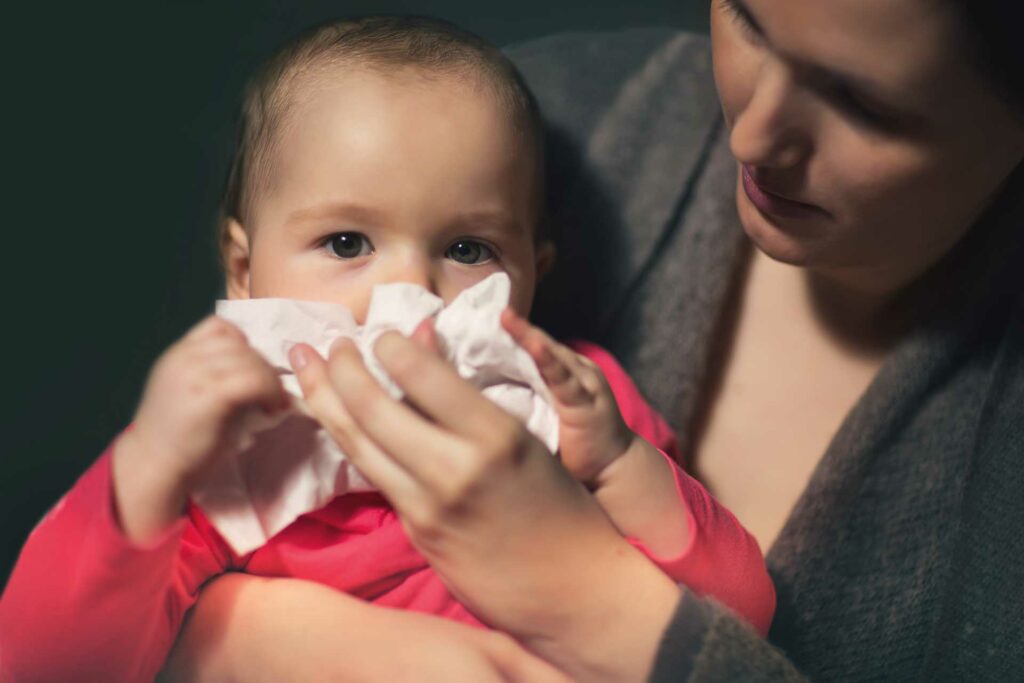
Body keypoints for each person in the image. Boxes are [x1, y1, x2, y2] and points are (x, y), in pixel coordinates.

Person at [154, 0, 1024, 680]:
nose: (751, 138)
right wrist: (234, 636)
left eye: (861, 101)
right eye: (748, 20)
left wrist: (586, 592)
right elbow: (70, 619)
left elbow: (736, 593)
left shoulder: (582, 394)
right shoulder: (501, 123)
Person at [0, 16, 775, 683]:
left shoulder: (573, 401)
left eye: (469, 248)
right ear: (244, 271)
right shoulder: (227, 452)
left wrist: (615, 463)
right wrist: (145, 476)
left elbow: (741, 613)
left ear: (532, 276)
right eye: (346, 241)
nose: (410, 286)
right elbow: (40, 664)